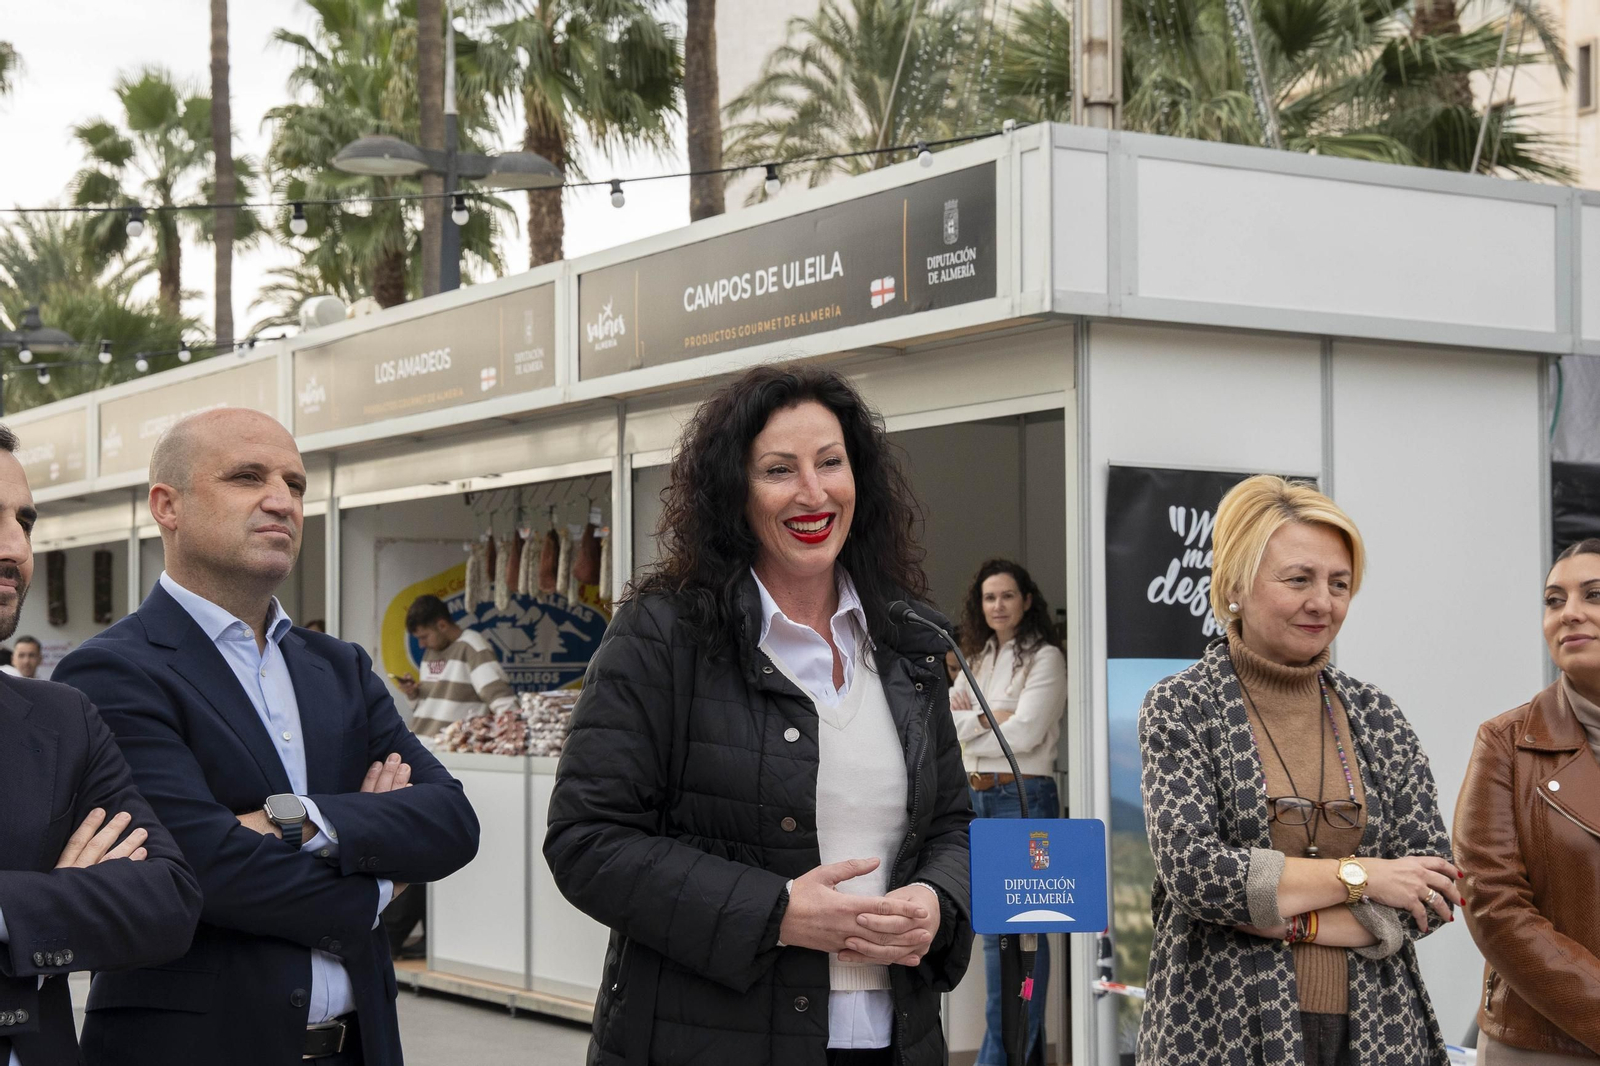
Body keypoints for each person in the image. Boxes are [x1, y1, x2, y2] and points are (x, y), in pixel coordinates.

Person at [545, 363, 973, 1066]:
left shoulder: (908, 638)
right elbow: (586, 843)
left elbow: (952, 822)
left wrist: (937, 900)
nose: (813, 492)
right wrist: (775, 912)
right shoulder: (662, 636)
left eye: (830, 463)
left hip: (893, 1040)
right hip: (706, 1041)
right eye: (779, 469)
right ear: (733, 494)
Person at [54, 409, 480, 1066]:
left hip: (360, 1045)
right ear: (167, 505)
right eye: (247, 477)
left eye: (296, 484)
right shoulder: (114, 670)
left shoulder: (338, 666)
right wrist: (376, 879)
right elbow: (202, 869)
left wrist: (302, 821)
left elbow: (451, 820)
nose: (281, 501)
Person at [1137, 475, 1461, 1066]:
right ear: (1234, 584)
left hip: (1381, 1032)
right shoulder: (1181, 706)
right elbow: (1196, 871)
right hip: (1220, 1028)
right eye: (1299, 579)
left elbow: (1432, 889)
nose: (1324, 602)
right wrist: (1365, 874)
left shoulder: (1377, 715)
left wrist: (1296, 922)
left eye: (1340, 584)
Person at [0, 421, 201, 1066]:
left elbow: (167, 901)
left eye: (24, 523)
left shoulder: (60, 719)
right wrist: (53, 900)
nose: (14, 548)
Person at [1455, 537, 1600, 1062]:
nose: (1570, 614)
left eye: (1594, 595)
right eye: (1554, 600)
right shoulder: (1506, 742)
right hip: (1544, 1046)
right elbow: (1493, 904)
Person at [949, 559, 1067, 1066]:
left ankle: (999, 1057)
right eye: (988, 597)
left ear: (1026, 601)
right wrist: (989, 717)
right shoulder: (977, 658)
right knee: (993, 930)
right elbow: (945, 725)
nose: (997, 605)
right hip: (976, 799)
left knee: (1020, 929)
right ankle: (1017, 1055)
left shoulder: (1045, 658)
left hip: (1023, 800)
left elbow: (1024, 733)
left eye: (1007, 596)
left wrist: (976, 722)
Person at [394, 594, 516, 737]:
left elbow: (500, 698)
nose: (421, 644)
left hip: (452, 749)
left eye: (424, 637)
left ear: (442, 625)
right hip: (420, 743)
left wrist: (514, 733)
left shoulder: (472, 646)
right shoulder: (431, 650)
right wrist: (412, 694)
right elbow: (425, 707)